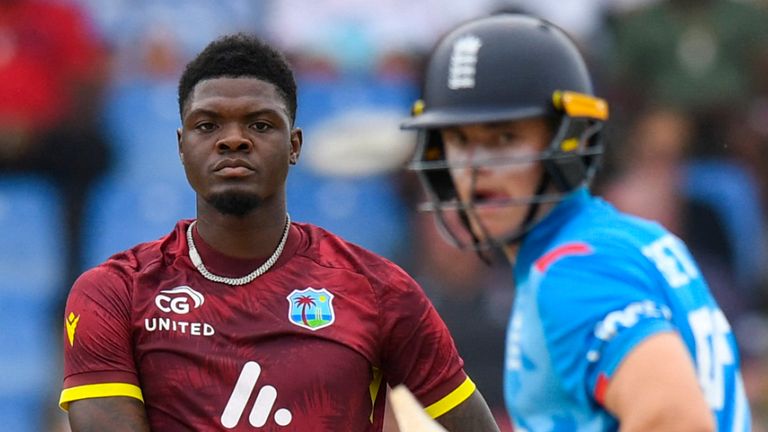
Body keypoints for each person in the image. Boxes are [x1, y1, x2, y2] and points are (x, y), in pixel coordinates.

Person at [58, 33, 499, 432]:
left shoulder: (377, 290)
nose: (233, 140)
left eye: (260, 124)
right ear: (181, 146)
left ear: (294, 146)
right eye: (207, 125)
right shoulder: (116, 293)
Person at [401, 14, 750, 431]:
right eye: (458, 140)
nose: (474, 169)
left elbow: (678, 422)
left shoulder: (574, 271)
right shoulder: (634, 239)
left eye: (502, 138)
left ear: (571, 140)